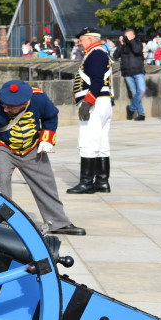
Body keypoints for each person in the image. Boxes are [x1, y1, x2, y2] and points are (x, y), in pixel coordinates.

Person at [0, 80, 86, 235]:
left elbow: (51, 116)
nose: (5, 108)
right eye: (4, 105)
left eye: (10, 107)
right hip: (4, 147)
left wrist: (47, 138)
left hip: (32, 145)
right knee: (1, 179)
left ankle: (58, 222)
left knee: (45, 181)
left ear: (24, 103)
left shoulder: (39, 99)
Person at [67, 27, 114, 195]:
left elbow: (97, 80)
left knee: (88, 141)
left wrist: (88, 102)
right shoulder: (98, 53)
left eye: (82, 39)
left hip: (95, 102)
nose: (80, 42)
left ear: (90, 39)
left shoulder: (95, 54)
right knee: (101, 144)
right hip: (103, 102)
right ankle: (102, 182)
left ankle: (86, 183)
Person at [120, 28, 146, 120]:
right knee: (135, 93)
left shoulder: (138, 43)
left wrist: (131, 41)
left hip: (138, 71)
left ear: (133, 36)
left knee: (141, 90)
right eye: (125, 35)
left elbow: (136, 50)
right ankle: (141, 114)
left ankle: (131, 108)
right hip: (127, 73)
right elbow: (115, 55)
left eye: (128, 35)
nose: (126, 37)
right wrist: (122, 44)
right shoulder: (123, 46)